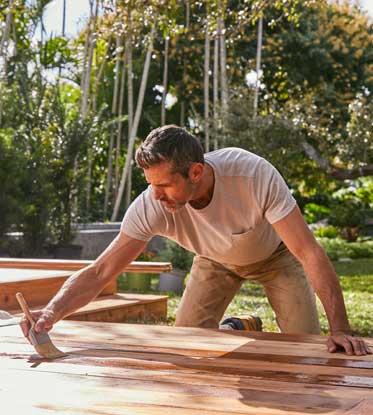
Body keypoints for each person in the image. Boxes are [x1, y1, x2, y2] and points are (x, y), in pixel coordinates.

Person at [20, 125, 371, 356]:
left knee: (306, 347)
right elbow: (100, 272)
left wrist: (340, 328)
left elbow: (309, 252)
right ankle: (235, 328)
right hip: (214, 261)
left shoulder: (253, 174)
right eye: (150, 185)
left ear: (196, 172)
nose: (155, 196)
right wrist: (50, 313)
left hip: (275, 259)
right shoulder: (151, 204)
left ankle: (248, 328)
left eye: (164, 185)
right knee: (186, 343)